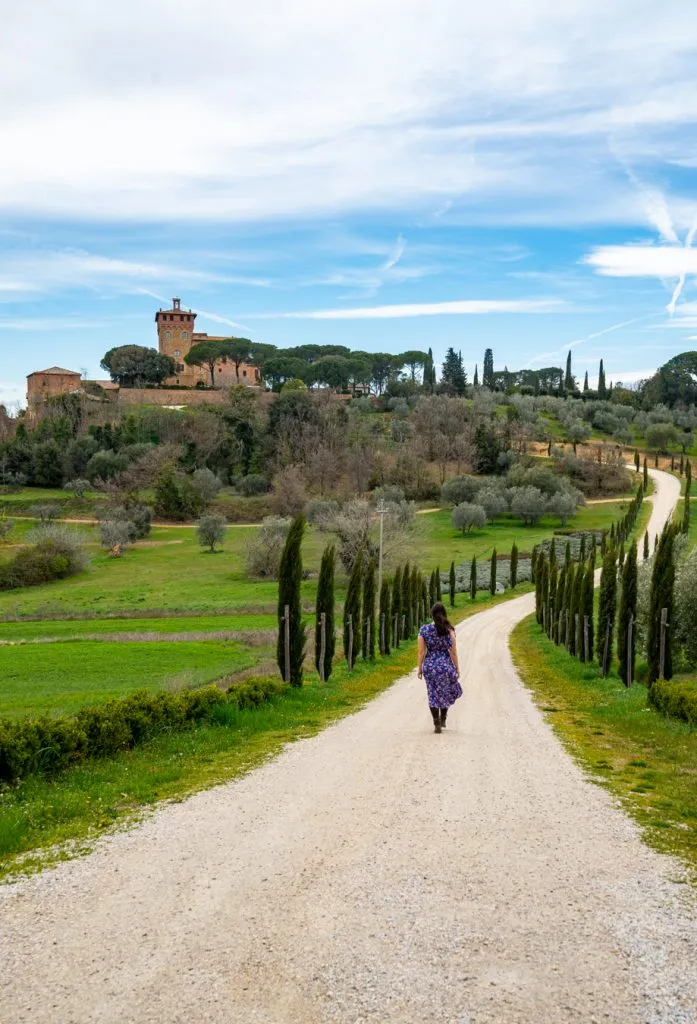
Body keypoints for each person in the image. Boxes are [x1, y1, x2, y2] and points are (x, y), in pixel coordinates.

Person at [417, 602, 462, 733]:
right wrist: (457, 668)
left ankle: (436, 723)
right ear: (444, 614)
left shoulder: (424, 630)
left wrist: (420, 668)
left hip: (430, 667)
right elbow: (453, 652)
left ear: (432, 615)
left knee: (432, 694)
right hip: (445, 666)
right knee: (445, 692)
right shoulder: (450, 630)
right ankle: (443, 718)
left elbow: (421, 652)